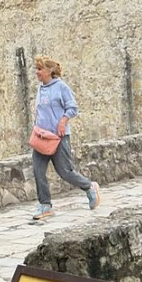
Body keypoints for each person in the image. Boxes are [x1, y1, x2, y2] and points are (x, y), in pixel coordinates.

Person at [30, 55, 100, 223]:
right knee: (38, 171)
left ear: (49, 71)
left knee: (65, 171)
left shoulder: (61, 87)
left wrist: (63, 121)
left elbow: (72, 107)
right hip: (42, 137)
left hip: (59, 137)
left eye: (40, 69)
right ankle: (45, 205)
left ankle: (89, 187)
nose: (37, 72)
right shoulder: (41, 88)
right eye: (37, 69)